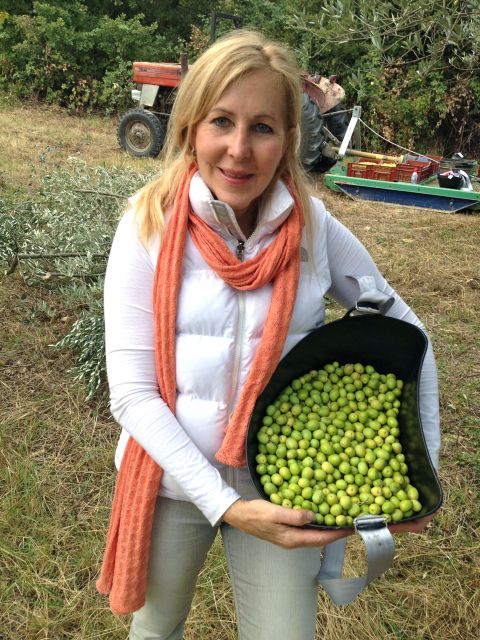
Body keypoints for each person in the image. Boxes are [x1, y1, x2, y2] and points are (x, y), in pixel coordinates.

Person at [96, 30, 441, 640]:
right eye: (221, 121)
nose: (237, 150)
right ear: (189, 129)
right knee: (155, 629)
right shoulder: (146, 228)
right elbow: (132, 393)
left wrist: (422, 470)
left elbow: (405, 328)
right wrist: (225, 504)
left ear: (287, 141)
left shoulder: (312, 229)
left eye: (262, 127)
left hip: (277, 480)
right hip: (173, 477)